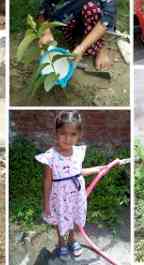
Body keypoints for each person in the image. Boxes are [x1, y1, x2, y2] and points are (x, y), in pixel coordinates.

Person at [36, 111, 106, 259]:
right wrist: (46, 204)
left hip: (76, 197)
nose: (67, 139)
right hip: (60, 198)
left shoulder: (78, 152)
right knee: (61, 220)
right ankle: (62, 243)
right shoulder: (50, 156)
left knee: (74, 219)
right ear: (56, 132)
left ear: (79, 134)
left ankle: (72, 240)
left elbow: (77, 172)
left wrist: (97, 169)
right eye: (63, 134)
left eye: (73, 134)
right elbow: (47, 181)